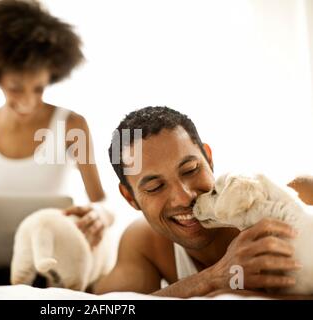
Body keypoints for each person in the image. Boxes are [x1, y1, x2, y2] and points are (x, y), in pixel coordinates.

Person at [0, 0, 113, 285]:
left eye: (39, 88)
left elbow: (99, 199)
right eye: (16, 87)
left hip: (56, 259)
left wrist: (100, 214)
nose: (28, 101)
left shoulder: (71, 125)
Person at [92, 106, 312, 298]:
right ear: (131, 198)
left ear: (208, 157)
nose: (184, 197)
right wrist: (211, 279)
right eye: (155, 187)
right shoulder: (146, 243)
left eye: (190, 170)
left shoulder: (297, 197)